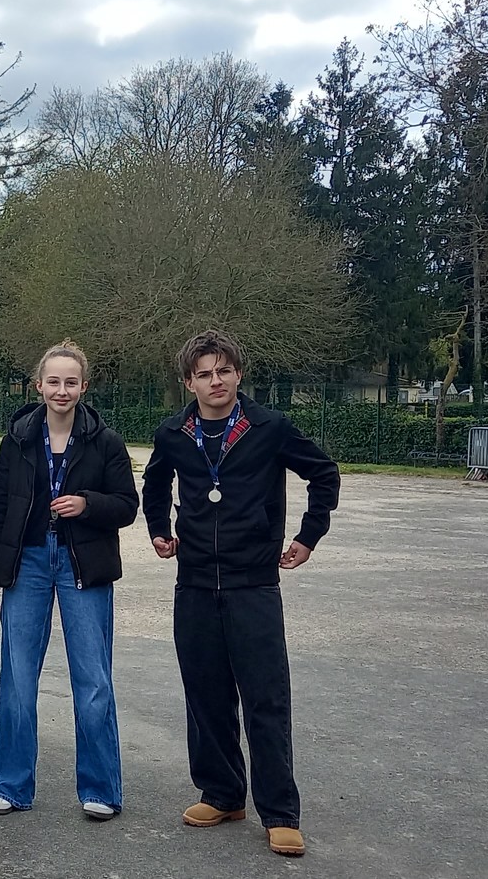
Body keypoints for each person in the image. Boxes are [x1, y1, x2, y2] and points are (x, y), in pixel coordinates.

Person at [140, 329, 340, 858]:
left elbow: (323, 474)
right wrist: (159, 530)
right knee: (206, 695)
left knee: (265, 699)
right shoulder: (174, 433)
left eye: (223, 371)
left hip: (253, 583)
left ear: (238, 374)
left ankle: (280, 812)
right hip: (194, 582)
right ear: (189, 382)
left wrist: (308, 536)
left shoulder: (269, 428)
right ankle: (223, 794)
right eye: (204, 374)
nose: (216, 381)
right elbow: (154, 486)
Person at [0, 340, 137, 820]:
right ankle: (10, 784)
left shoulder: (105, 441)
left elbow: (127, 505)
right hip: (28, 562)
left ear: (84, 386)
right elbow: (1, 507)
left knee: (93, 678)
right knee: (18, 677)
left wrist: (88, 504)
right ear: (38, 386)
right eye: (53, 382)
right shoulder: (19, 439)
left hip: (82, 563)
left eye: (70, 382)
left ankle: (101, 789)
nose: (61, 390)